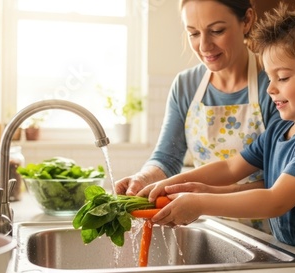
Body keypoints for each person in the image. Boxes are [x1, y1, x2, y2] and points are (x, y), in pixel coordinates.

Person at [138, 3, 295, 273]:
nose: (271, 88)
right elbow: (231, 167)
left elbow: (275, 200)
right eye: (269, 77)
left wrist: (200, 203)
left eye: (283, 77)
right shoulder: (281, 129)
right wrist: (174, 184)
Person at [115, 0, 279, 200]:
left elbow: (281, 179)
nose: (204, 46)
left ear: (247, 20)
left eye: (217, 31)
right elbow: (167, 159)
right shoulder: (186, 85)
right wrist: (143, 178)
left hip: (262, 227)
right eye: (193, 33)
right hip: (206, 220)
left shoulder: (275, 84)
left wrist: (208, 196)